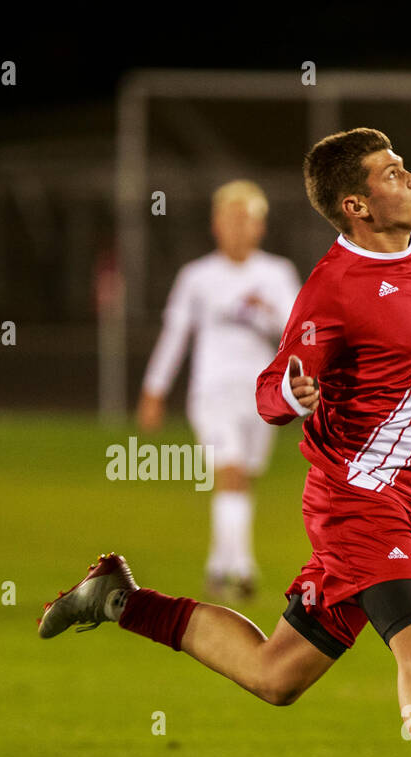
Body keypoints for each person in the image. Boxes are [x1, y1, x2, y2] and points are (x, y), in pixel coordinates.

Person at [39, 129, 411, 757]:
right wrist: (291, 397)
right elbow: (274, 379)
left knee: (276, 675)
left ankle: (120, 601)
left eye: (404, 166)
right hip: (354, 501)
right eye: (392, 173)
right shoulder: (333, 288)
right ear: (357, 205)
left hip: (399, 502)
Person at [137, 180, 300, 600]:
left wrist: (267, 317)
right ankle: (243, 568)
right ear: (216, 225)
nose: (238, 227)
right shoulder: (197, 277)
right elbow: (176, 335)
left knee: (243, 477)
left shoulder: (277, 274)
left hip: (263, 394)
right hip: (211, 393)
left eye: (247, 219)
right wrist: (154, 390)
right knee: (228, 471)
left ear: (260, 226)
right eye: (231, 218)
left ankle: (217, 564)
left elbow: (298, 335)